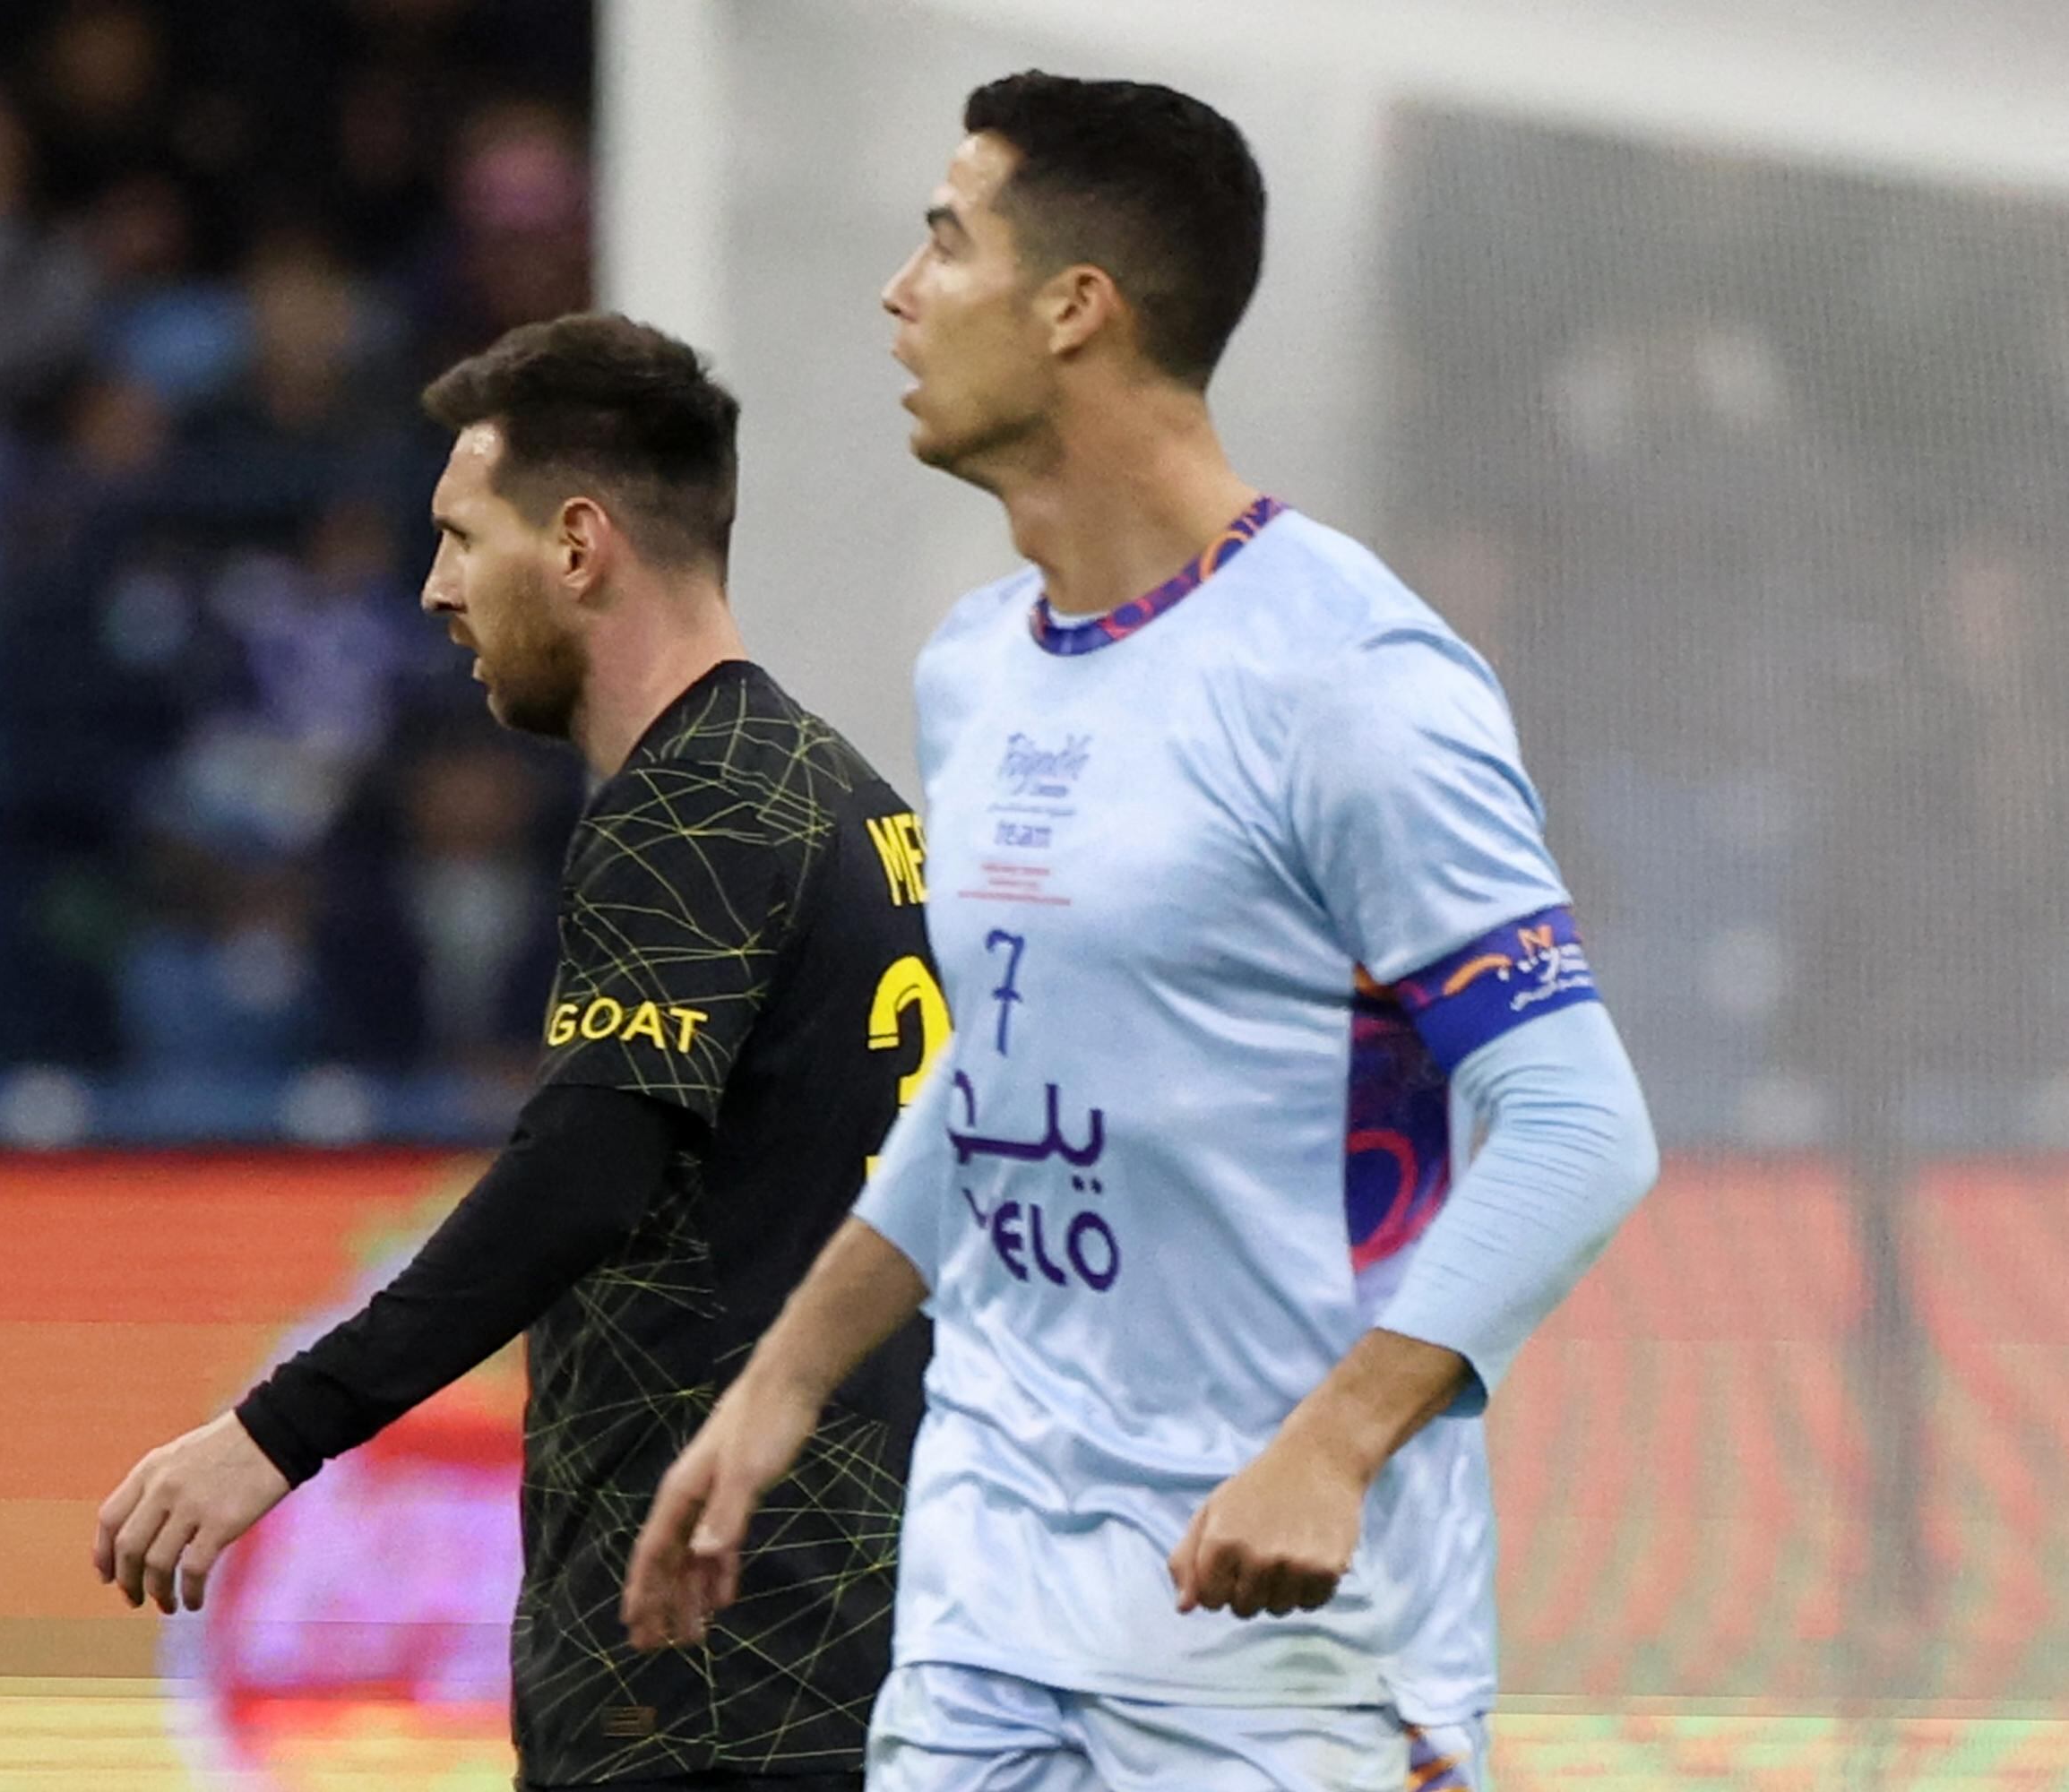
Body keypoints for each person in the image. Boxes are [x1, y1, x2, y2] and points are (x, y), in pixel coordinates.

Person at [622, 73, 1661, 1792]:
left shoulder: (1349, 681)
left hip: (1276, 1638)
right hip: (990, 1596)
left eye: (945, 241)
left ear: (1074, 309)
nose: (900, 292)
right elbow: (1001, 1083)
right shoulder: (977, 668)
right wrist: (781, 1386)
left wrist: (1328, 1451)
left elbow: (1577, 1125)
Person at [94, 313, 943, 1790]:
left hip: (727, 1662)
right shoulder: (828, 786)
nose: (434, 591)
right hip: (836, 1624)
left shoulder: (693, 811)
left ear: (576, 543)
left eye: (457, 536)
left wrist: (273, 1438)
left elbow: (585, 1177)